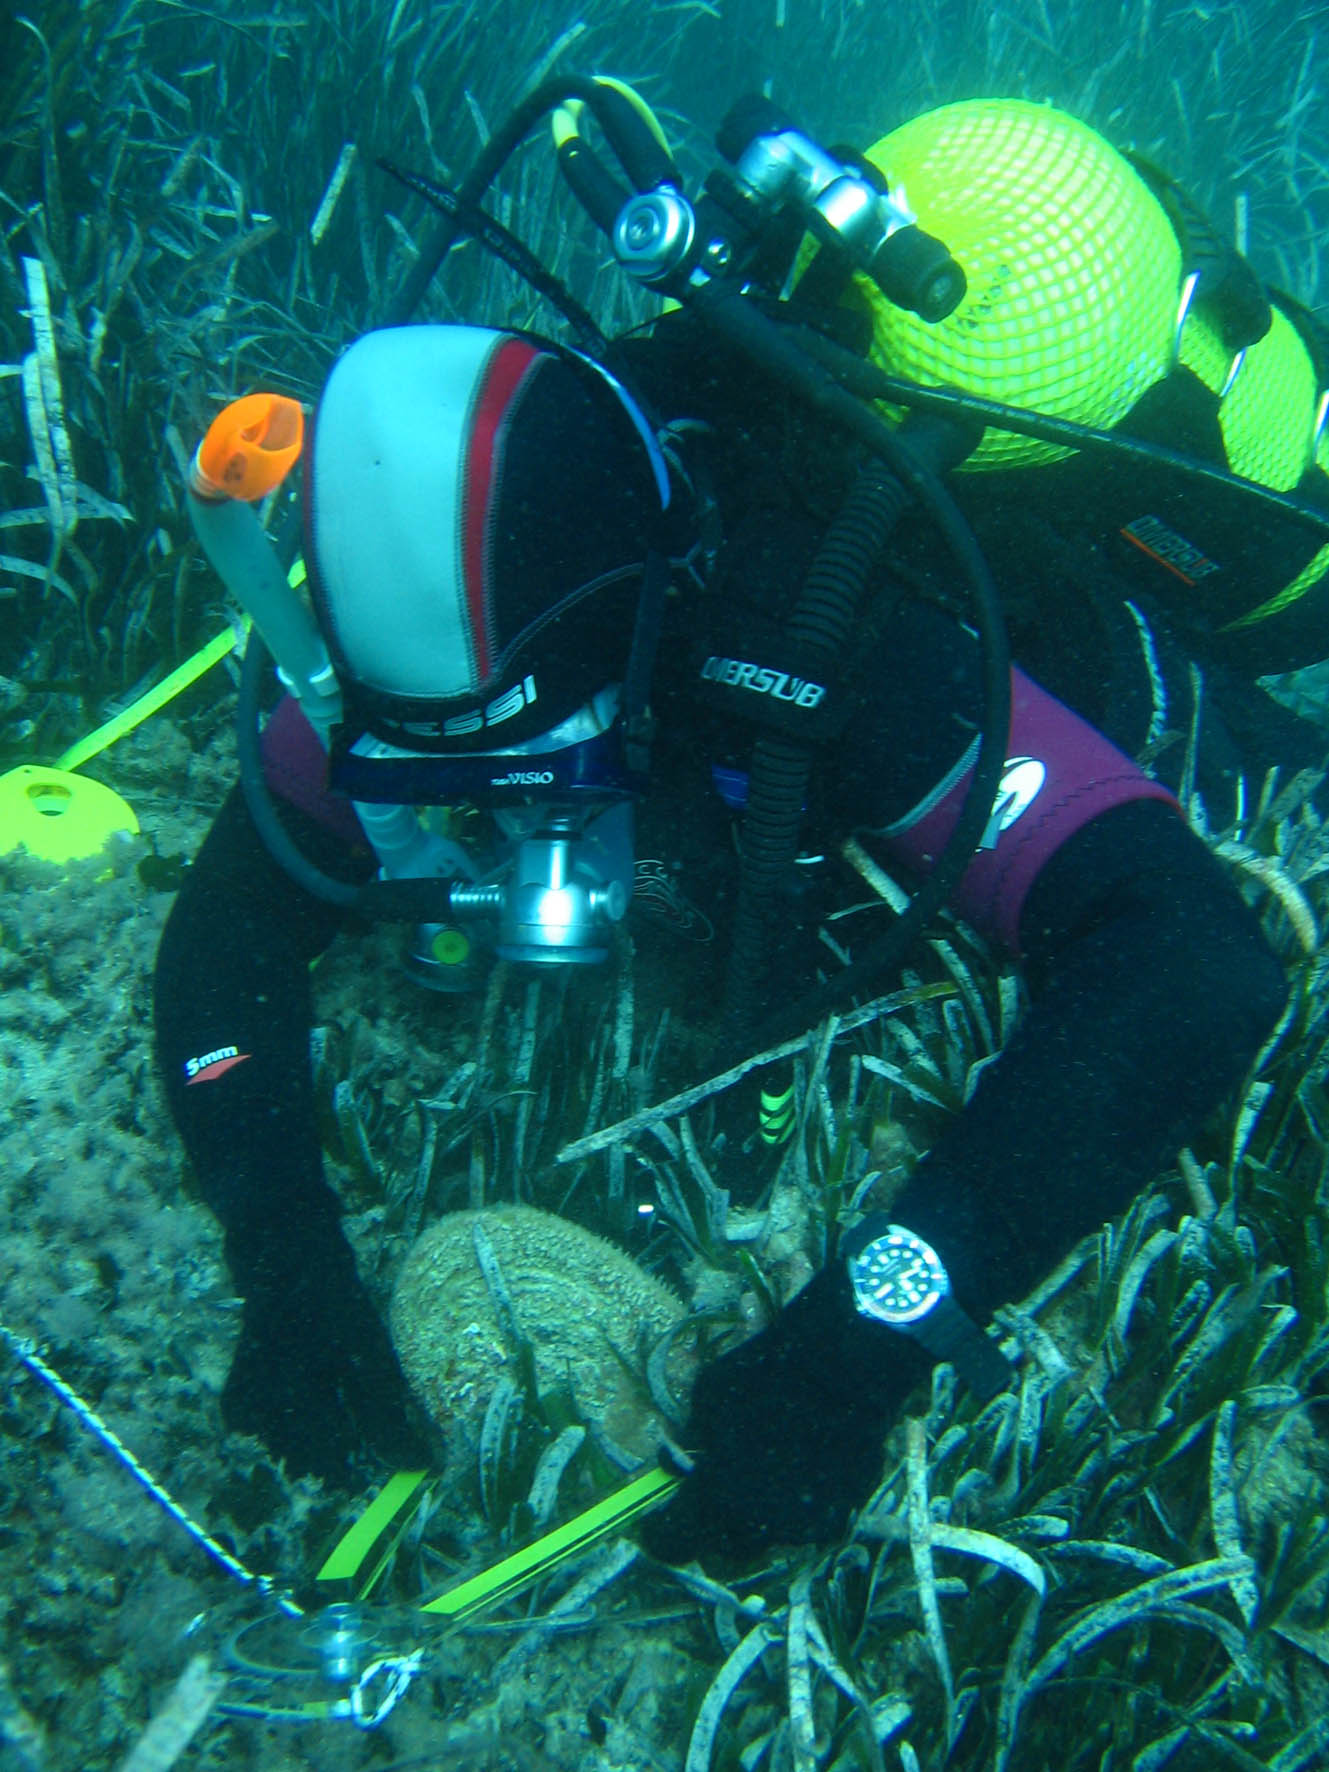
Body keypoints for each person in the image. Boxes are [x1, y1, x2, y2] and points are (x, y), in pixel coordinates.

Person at [154, 95, 1318, 1563]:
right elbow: (233, 924)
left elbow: (1187, 967)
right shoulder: (430, 608)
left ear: (629, 643)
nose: (480, 799)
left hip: (1109, 652)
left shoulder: (825, 640)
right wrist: (287, 1264)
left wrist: (859, 1344)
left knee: (1275, 754)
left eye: (517, 754)